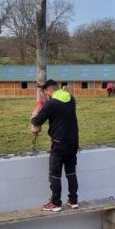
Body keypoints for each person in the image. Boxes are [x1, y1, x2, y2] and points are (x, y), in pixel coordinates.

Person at [31, 79, 79, 212]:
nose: (46, 95)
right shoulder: (71, 99)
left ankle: (56, 203)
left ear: (49, 91)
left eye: (46, 92)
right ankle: (73, 200)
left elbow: (37, 121)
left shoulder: (51, 104)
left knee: (55, 174)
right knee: (71, 172)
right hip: (73, 142)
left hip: (59, 143)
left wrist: (34, 115)